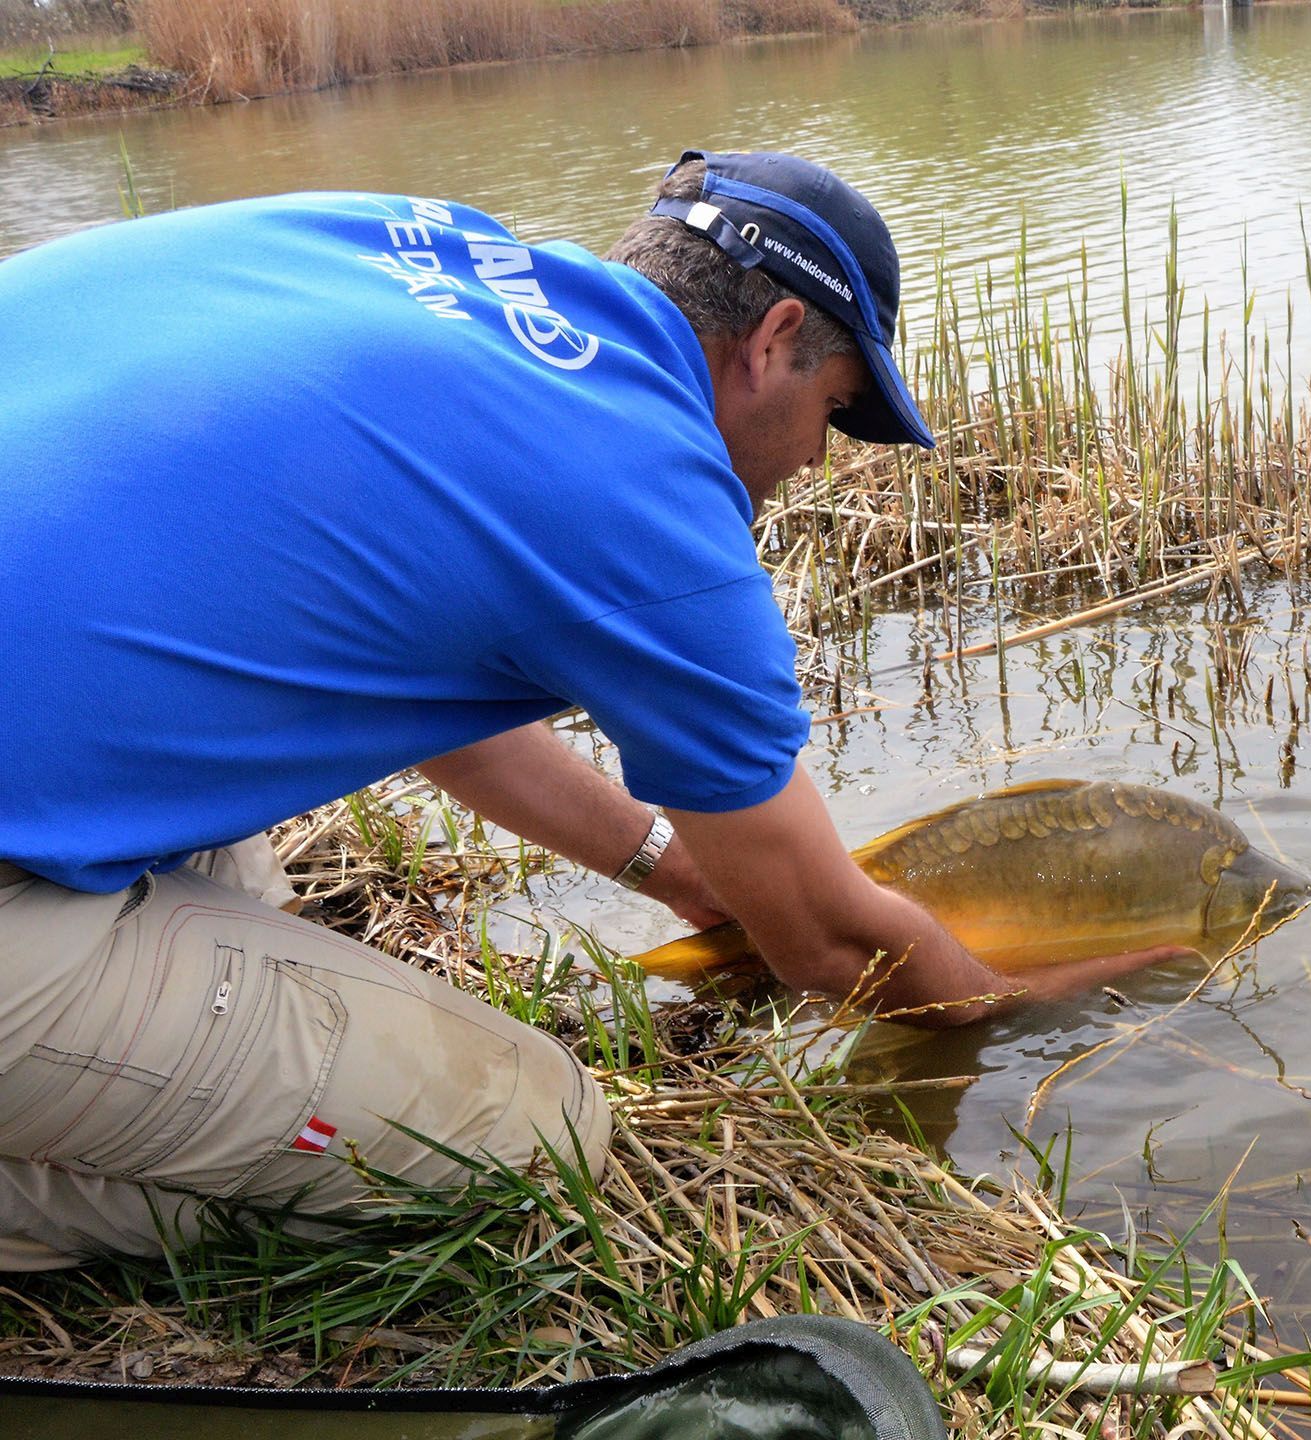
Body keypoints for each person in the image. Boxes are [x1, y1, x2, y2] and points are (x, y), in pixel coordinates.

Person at [0, 149, 1175, 1269]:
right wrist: (1029, 1003)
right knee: (532, 1137)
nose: (820, 459)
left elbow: (438, 701)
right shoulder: (650, 501)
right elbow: (828, 939)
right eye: (838, 407)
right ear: (773, 341)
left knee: (239, 903)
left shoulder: (424, 253)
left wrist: (676, 870)